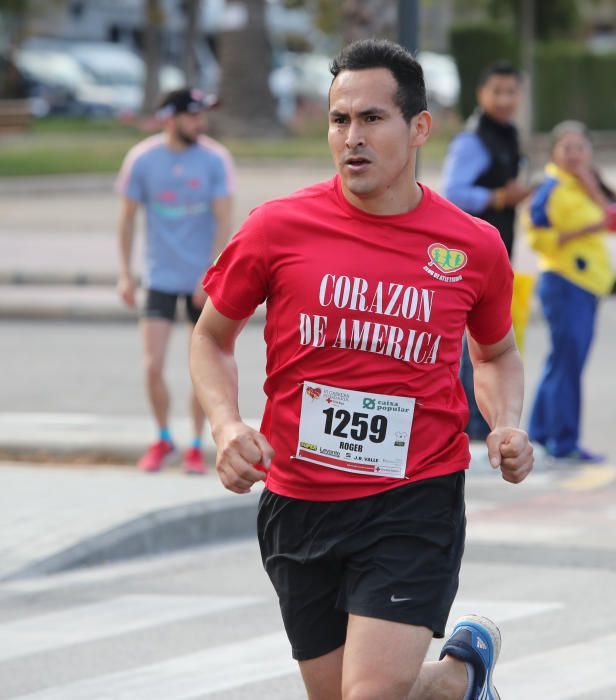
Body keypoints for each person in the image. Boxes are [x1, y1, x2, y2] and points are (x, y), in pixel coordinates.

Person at [191, 39, 533, 700]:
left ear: (419, 128)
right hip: (299, 503)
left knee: (369, 695)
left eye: (372, 118)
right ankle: (460, 681)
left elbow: (495, 354)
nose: (352, 136)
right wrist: (226, 424)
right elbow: (211, 338)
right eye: (339, 119)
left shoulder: (471, 245)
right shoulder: (276, 228)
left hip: (414, 499)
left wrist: (507, 423)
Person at [116, 87, 234, 474]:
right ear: (170, 117)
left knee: (201, 367)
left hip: (201, 282)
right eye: (192, 116)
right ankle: (163, 437)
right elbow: (127, 218)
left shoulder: (216, 159)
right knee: (152, 365)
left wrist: (211, 275)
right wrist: (124, 273)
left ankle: (197, 444)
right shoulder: (143, 159)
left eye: (202, 116)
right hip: (159, 278)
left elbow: (223, 223)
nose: (200, 123)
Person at [442, 62, 532, 442]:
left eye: (511, 92)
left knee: (487, 337)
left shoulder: (507, 135)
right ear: (480, 94)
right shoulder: (473, 140)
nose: (505, 100)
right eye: (497, 91)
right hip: (464, 255)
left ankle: (477, 423)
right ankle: (471, 424)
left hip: (496, 250)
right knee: (473, 342)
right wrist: (498, 196)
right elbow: (454, 191)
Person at [525, 120, 615, 464]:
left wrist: (592, 185)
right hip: (564, 282)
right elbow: (538, 237)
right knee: (567, 364)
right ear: (554, 153)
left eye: (581, 148)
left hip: (589, 285)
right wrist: (587, 227)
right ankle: (564, 441)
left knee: (561, 362)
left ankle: (542, 432)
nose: (576, 154)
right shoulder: (551, 188)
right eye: (568, 148)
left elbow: (611, 217)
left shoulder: (583, 184)